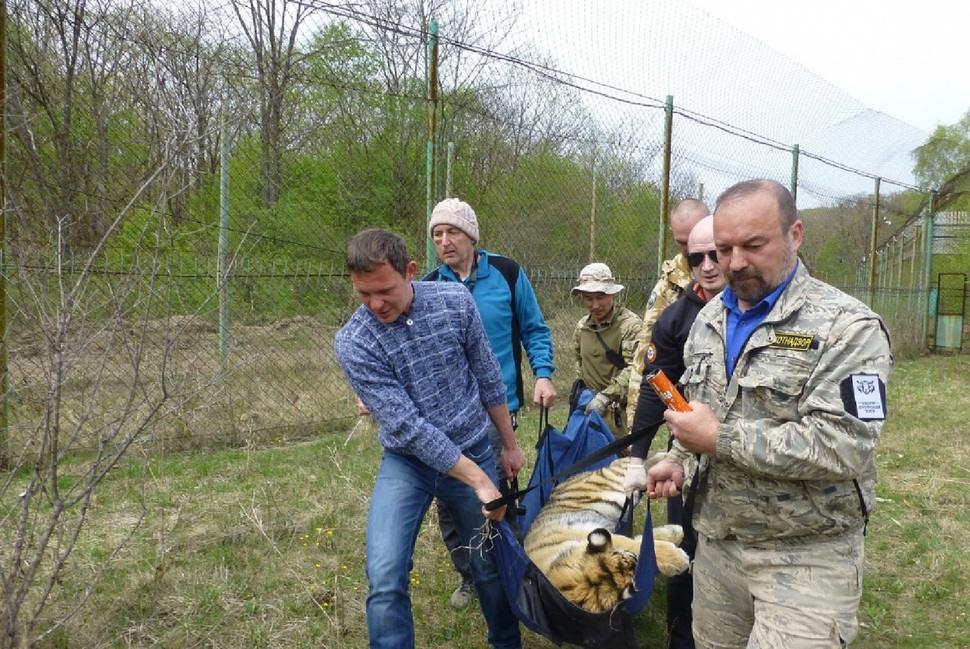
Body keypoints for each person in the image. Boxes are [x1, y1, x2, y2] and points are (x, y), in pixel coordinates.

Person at [647, 179, 894, 648]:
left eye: (753, 245)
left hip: (807, 555)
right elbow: (702, 407)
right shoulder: (709, 319)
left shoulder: (849, 328)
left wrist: (719, 439)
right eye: (723, 249)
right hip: (720, 546)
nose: (735, 262)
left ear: (795, 234)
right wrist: (678, 457)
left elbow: (847, 445)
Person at [334, 228, 525, 649]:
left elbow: (490, 379)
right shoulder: (354, 341)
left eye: (384, 290)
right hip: (408, 463)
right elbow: (405, 426)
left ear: (411, 271)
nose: (375, 304)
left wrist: (508, 446)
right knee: (384, 573)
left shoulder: (456, 303)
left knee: (488, 563)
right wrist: (478, 479)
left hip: (473, 443)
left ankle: (507, 641)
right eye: (363, 295)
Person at [424, 197, 558, 608]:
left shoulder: (507, 273)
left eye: (453, 232)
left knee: (496, 494)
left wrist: (544, 374)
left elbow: (534, 328)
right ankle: (469, 574)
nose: (444, 241)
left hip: (498, 408)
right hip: (446, 415)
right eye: (437, 234)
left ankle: (508, 572)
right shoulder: (430, 286)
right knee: (450, 498)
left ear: (472, 236)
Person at [622, 215, 726, 649]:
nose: (707, 264)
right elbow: (657, 382)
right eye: (694, 256)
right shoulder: (677, 317)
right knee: (685, 543)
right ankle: (680, 634)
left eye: (715, 254)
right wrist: (635, 454)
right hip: (688, 452)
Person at [626, 199, 709, 428]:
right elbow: (647, 353)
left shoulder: (735, 272)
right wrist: (636, 422)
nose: (688, 247)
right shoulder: (670, 283)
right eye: (681, 241)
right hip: (684, 403)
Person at [571, 262, 643, 438]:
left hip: (619, 413)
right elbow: (580, 362)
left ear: (613, 294)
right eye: (588, 298)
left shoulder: (630, 326)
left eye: (600, 297)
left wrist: (606, 396)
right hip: (588, 407)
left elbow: (636, 369)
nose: (595, 305)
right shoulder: (582, 327)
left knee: (617, 462)